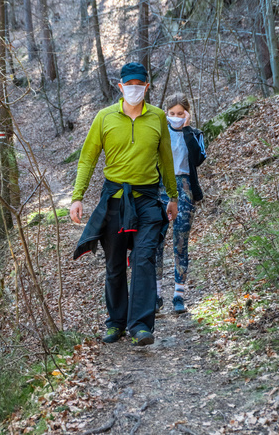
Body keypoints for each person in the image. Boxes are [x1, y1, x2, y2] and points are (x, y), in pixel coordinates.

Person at [70, 62, 178, 346]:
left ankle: (140, 326)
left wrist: (173, 196)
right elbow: (88, 159)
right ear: (120, 87)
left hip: (148, 201)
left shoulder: (157, 118)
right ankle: (116, 322)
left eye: (138, 85)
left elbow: (166, 160)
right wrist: (77, 197)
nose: (133, 89)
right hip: (115, 201)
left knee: (143, 259)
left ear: (146, 86)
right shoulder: (104, 118)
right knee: (115, 264)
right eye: (128, 85)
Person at [155, 93, 206, 314]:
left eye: (180, 113)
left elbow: (198, 158)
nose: (175, 117)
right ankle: (155, 295)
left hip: (185, 187)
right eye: (172, 113)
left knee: (180, 240)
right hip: (160, 187)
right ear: (167, 113)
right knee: (156, 240)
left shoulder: (194, 134)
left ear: (186, 113)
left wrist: (185, 129)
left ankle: (179, 294)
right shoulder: (159, 133)